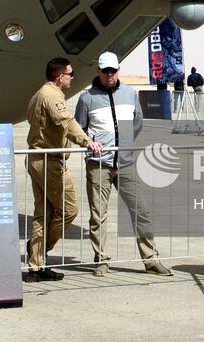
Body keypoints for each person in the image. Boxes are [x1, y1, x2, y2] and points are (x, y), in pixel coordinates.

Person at [74, 52, 172, 277]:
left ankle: (151, 259)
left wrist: (125, 142)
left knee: (141, 212)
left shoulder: (130, 93)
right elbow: (79, 128)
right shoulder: (87, 98)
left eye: (113, 70)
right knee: (98, 215)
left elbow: (137, 122)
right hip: (99, 165)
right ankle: (101, 260)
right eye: (105, 71)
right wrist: (89, 143)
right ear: (98, 71)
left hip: (127, 163)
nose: (110, 74)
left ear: (118, 70)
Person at [25, 57, 103, 281]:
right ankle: (38, 250)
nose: (72, 78)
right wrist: (87, 141)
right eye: (70, 74)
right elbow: (66, 122)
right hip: (50, 161)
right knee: (69, 210)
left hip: (37, 157)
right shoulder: (52, 96)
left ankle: (36, 265)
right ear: (60, 77)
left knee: (43, 213)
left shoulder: (40, 93)